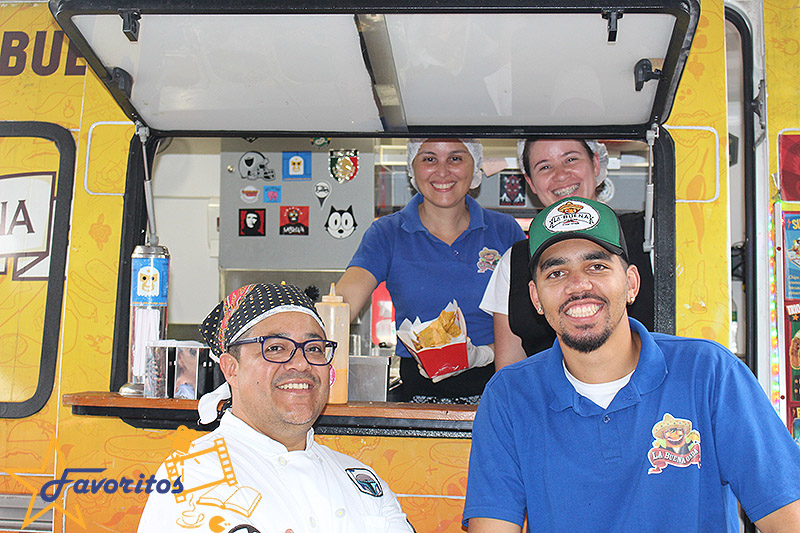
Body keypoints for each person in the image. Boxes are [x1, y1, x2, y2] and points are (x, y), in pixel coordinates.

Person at [463, 198, 800, 532]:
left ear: (631, 284)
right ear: (536, 298)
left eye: (597, 266)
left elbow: (787, 518)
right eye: (557, 272)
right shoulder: (510, 396)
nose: (578, 285)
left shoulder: (709, 373)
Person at [138, 283, 414, 533]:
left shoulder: (363, 484)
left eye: (314, 348)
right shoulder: (192, 476)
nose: (301, 363)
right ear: (231, 369)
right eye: (275, 348)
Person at [336, 138, 525, 403]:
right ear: (412, 168)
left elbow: (529, 320)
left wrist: (484, 354)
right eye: (429, 159)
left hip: (497, 390)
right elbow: (343, 303)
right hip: (417, 397)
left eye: (455, 158)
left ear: (475, 167)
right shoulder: (387, 233)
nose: (442, 171)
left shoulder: (505, 230)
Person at [479, 138, 654, 370]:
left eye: (571, 159)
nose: (560, 175)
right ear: (530, 182)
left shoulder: (649, 237)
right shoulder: (514, 261)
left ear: (596, 164)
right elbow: (510, 366)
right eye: (545, 167)